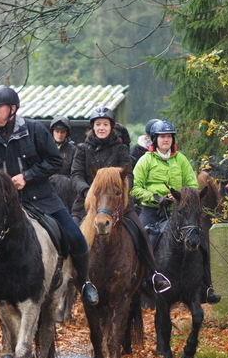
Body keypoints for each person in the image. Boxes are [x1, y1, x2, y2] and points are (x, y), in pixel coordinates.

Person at [0, 86, 99, 324]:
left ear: (12, 109)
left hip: (40, 198)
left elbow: (54, 161)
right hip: (1, 208)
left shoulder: (35, 130)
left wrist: (26, 176)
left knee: (76, 237)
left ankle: (86, 281)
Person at [70, 107, 171, 295]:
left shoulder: (120, 149)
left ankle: (154, 274)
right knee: (69, 235)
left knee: (141, 232)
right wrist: (88, 192)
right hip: (87, 203)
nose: (102, 128)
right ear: (93, 127)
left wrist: (121, 191)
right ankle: (66, 278)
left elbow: (129, 176)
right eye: (98, 124)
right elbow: (75, 175)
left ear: (111, 127)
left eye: (105, 124)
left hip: (117, 204)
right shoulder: (82, 149)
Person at [131, 119, 221, 304]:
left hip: (179, 211)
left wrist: (181, 196)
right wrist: (156, 197)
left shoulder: (181, 159)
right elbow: (135, 188)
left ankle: (207, 285)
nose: (166, 140)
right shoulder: (145, 160)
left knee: (201, 240)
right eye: (163, 136)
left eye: (169, 136)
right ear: (155, 139)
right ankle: (137, 282)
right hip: (151, 210)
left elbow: (193, 185)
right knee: (140, 239)